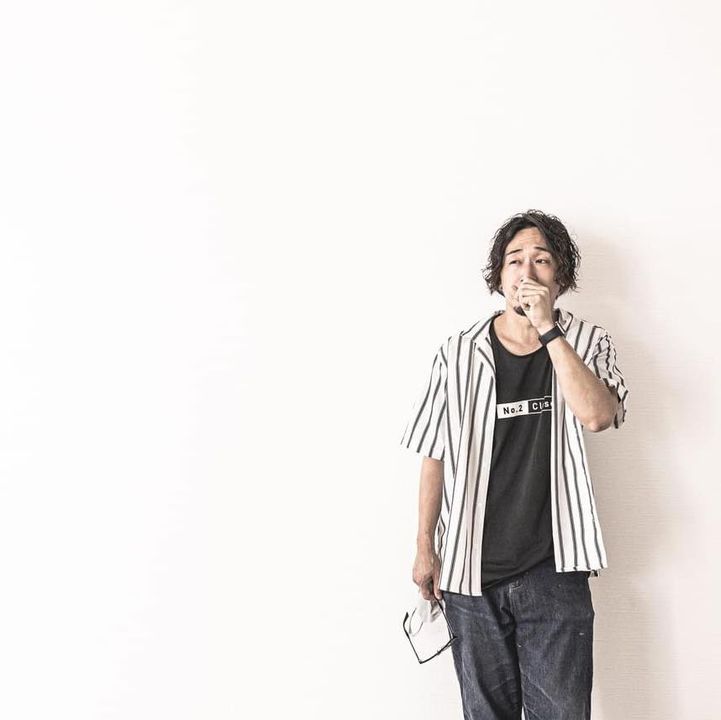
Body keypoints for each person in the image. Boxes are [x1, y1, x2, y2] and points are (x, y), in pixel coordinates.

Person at [399, 209, 629, 719]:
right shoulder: (458, 353)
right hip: (469, 572)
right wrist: (424, 548)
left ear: (560, 275)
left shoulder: (589, 342)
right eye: (514, 260)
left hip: (555, 569)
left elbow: (597, 416)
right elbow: (433, 453)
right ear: (499, 276)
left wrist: (548, 329)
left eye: (541, 260)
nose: (526, 271)